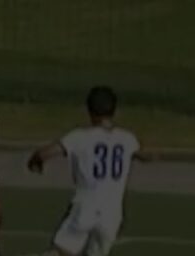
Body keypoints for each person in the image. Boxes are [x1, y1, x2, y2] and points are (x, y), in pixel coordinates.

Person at [27, 86, 151, 256]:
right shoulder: (127, 139)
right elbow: (144, 155)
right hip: (112, 214)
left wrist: (35, 161)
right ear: (115, 111)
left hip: (84, 206)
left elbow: (45, 153)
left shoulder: (79, 137)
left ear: (88, 110)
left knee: (60, 251)